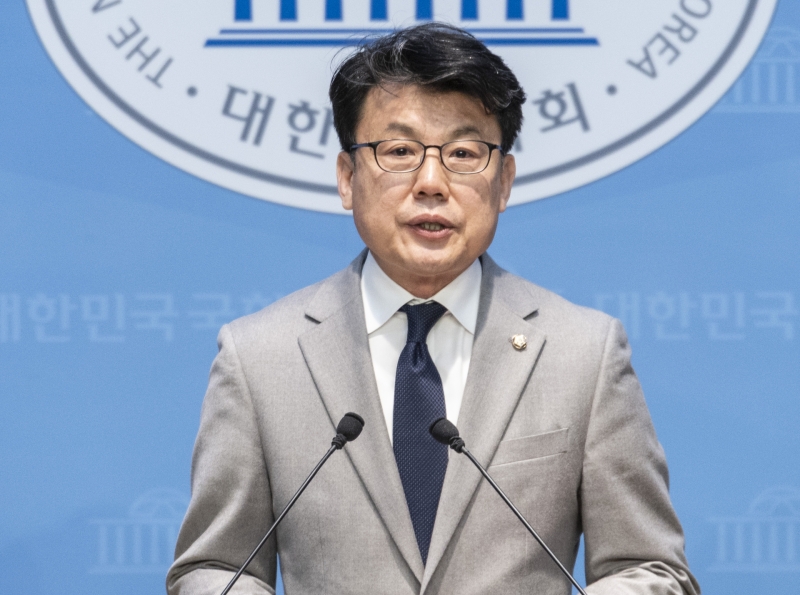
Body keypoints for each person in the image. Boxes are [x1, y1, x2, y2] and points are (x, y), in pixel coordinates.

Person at [167, 23, 700, 595]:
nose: (431, 182)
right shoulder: (259, 357)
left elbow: (650, 568)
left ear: (503, 182)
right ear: (347, 177)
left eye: (464, 154)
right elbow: (213, 568)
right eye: (399, 151)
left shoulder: (583, 353)